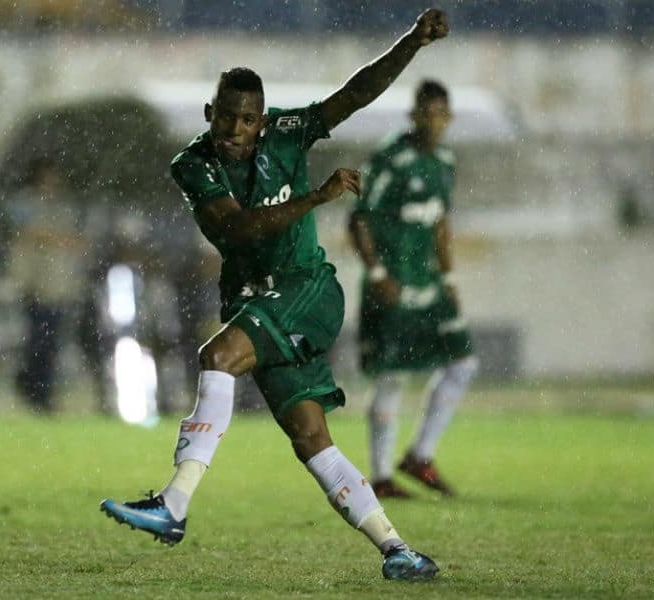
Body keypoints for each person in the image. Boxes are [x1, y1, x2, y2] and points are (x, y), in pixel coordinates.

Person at [100, 9, 449, 581]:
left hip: (306, 289)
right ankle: (398, 550)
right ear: (210, 114)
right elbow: (238, 228)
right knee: (311, 438)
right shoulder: (192, 165)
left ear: (262, 122)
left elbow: (354, 95)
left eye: (247, 120)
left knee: (217, 356)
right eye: (226, 117)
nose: (235, 129)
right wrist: (315, 198)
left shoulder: (289, 133)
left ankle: (174, 504)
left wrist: (412, 41)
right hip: (254, 301)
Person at [348, 80, 479, 499]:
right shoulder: (391, 158)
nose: (433, 122)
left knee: (463, 363)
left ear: (449, 118)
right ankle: (382, 476)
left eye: (440, 114)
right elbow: (359, 218)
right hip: (392, 282)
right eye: (426, 113)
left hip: (429, 284)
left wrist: (450, 278)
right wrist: (377, 273)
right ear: (413, 115)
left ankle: (420, 456)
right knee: (392, 376)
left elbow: (440, 223)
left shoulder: (444, 162)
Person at [6, 158, 87, 413]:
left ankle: (42, 390)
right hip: (35, 283)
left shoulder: (62, 207)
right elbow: (31, 232)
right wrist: (61, 239)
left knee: (51, 341)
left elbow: (74, 240)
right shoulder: (25, 203)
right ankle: (33, 386)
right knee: (37, 339)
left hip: (57, 286)